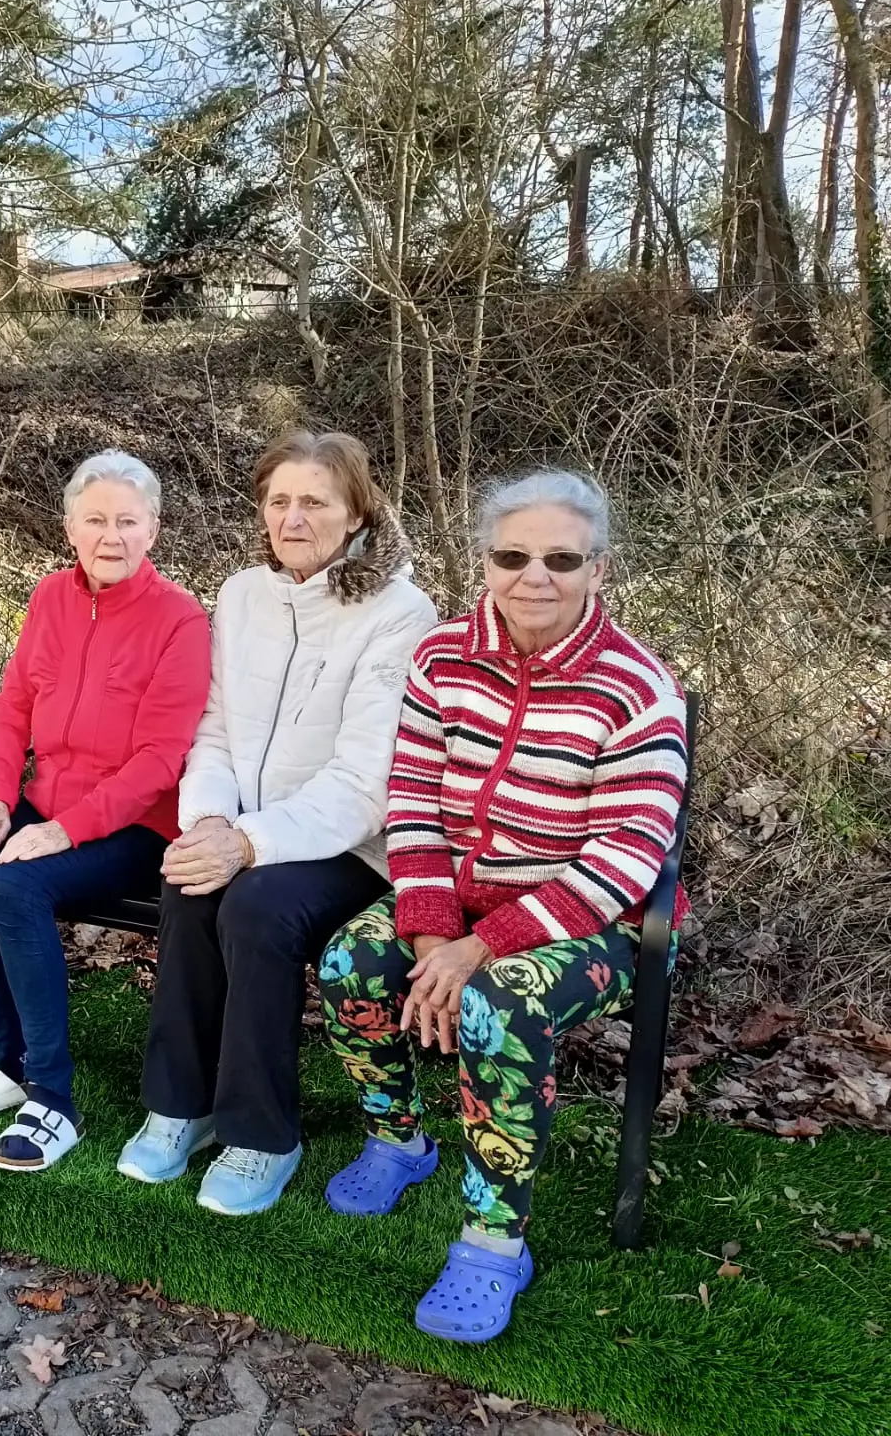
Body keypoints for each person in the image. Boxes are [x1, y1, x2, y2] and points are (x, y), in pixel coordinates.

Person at [315, 470, 687, 1344]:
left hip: (594, 922)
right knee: (349, 963)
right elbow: (411, 804)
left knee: (497, 1004)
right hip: (455, 903)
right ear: (485, 561)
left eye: (563, 559)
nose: (535, 577)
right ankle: (400, 1141)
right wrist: (434, 934)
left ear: (599, 567)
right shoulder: (442, 657)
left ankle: (493, 1241)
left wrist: (480, 949)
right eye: (513, 556)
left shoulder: (637, 688)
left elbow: (628, 857)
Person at [117, 430, 437, 1215]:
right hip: (243, 824)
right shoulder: (240, 596)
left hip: (352, 842)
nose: (294, 518)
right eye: (279, 501)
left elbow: (366, 782)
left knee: (257, 909)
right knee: (189, 886)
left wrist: (248, 843)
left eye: (316, 503)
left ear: (356, 514)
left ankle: (262, 1134)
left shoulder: (400, 613)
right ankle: (182, 1105)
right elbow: (214, 729)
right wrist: (208, 824)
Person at [0, 450, 210, 1174]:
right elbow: (13, 705)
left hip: (135, 826)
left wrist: (64, 831)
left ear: (153, 529)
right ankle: (7, 1060)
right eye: (95, 520)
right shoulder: (51, 597)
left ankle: (53, 1098)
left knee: (16, 885)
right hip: (45, 800)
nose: (111, 536)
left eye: (127, 521)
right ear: (69, 529)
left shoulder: (180, 620)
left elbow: (161, 760)